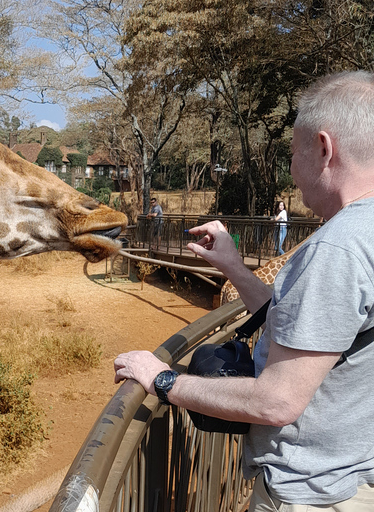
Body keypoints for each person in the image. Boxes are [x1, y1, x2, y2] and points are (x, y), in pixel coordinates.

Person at [114, 70, 374, 511]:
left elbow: (276, 402)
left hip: (311, 494)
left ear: (324, 149)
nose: (291, 168)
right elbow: (312, 327)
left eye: (293, 152)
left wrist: (162, 380)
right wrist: (234, 266)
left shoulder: (338, 247)